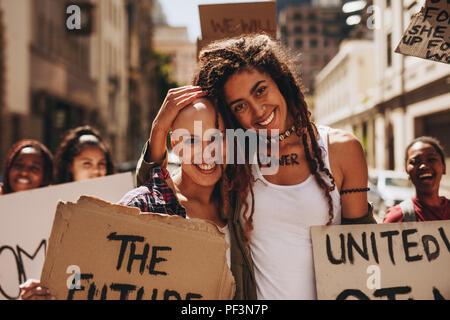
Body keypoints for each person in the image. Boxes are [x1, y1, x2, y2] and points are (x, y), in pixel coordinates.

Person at [136, 34, 376, 300]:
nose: (258, 110)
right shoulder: (238, 152)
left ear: (280, 80)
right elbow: (159, 194)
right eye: (240, 106)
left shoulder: (341, 149)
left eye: (260, 90)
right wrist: (159, 130)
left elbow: (361, 247)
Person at [20, 94, 257, 300]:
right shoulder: (143, 206)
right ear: (175, 143)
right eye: (193, 140)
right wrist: (50, 292)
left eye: (217, 138)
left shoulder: (244, 203)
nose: (207, 152)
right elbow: (96, 282)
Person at [383, 136, 449, 222]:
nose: (424, 166)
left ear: (444, 168)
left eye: (431, 159)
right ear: (407, 171)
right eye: (415, 162)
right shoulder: (397, 218)